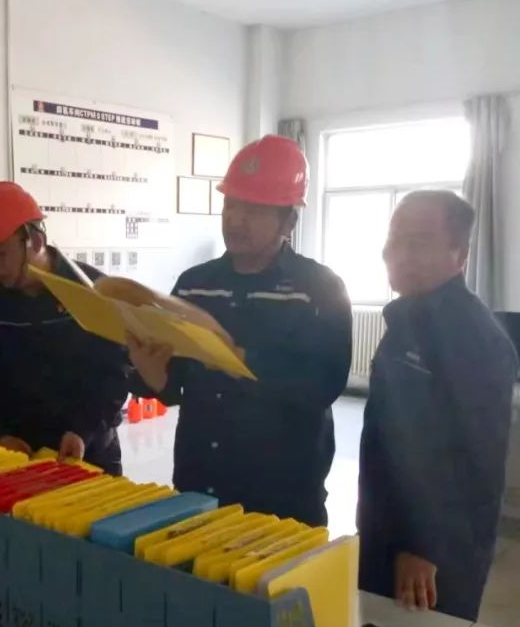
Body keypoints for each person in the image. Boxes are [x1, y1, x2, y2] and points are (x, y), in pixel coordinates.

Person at [128, 135, 352, 524]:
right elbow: (176, 383)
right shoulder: (194, 285)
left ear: (289, 220)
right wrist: (152, 375)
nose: (235, 219)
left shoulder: (320, 289)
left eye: (254, 210)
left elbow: (323, 384)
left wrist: (240, 359)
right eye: (231, 205)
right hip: (200, 483)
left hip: (283, 495)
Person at [358, 190, 518, 621]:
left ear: (460, 255)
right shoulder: (410, 319)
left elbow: (475, 460)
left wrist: (422, 546)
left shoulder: (473, 336)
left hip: (432, 555)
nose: (399, 253)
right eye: (395, 238)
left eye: (420, 242)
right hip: (387, 528)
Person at [0, 181, 128, 471]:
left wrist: (83, 430)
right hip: (18, 460)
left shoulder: (91, 291)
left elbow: (116, 373)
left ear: (35, 240)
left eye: (0, 253)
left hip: (90, 456)